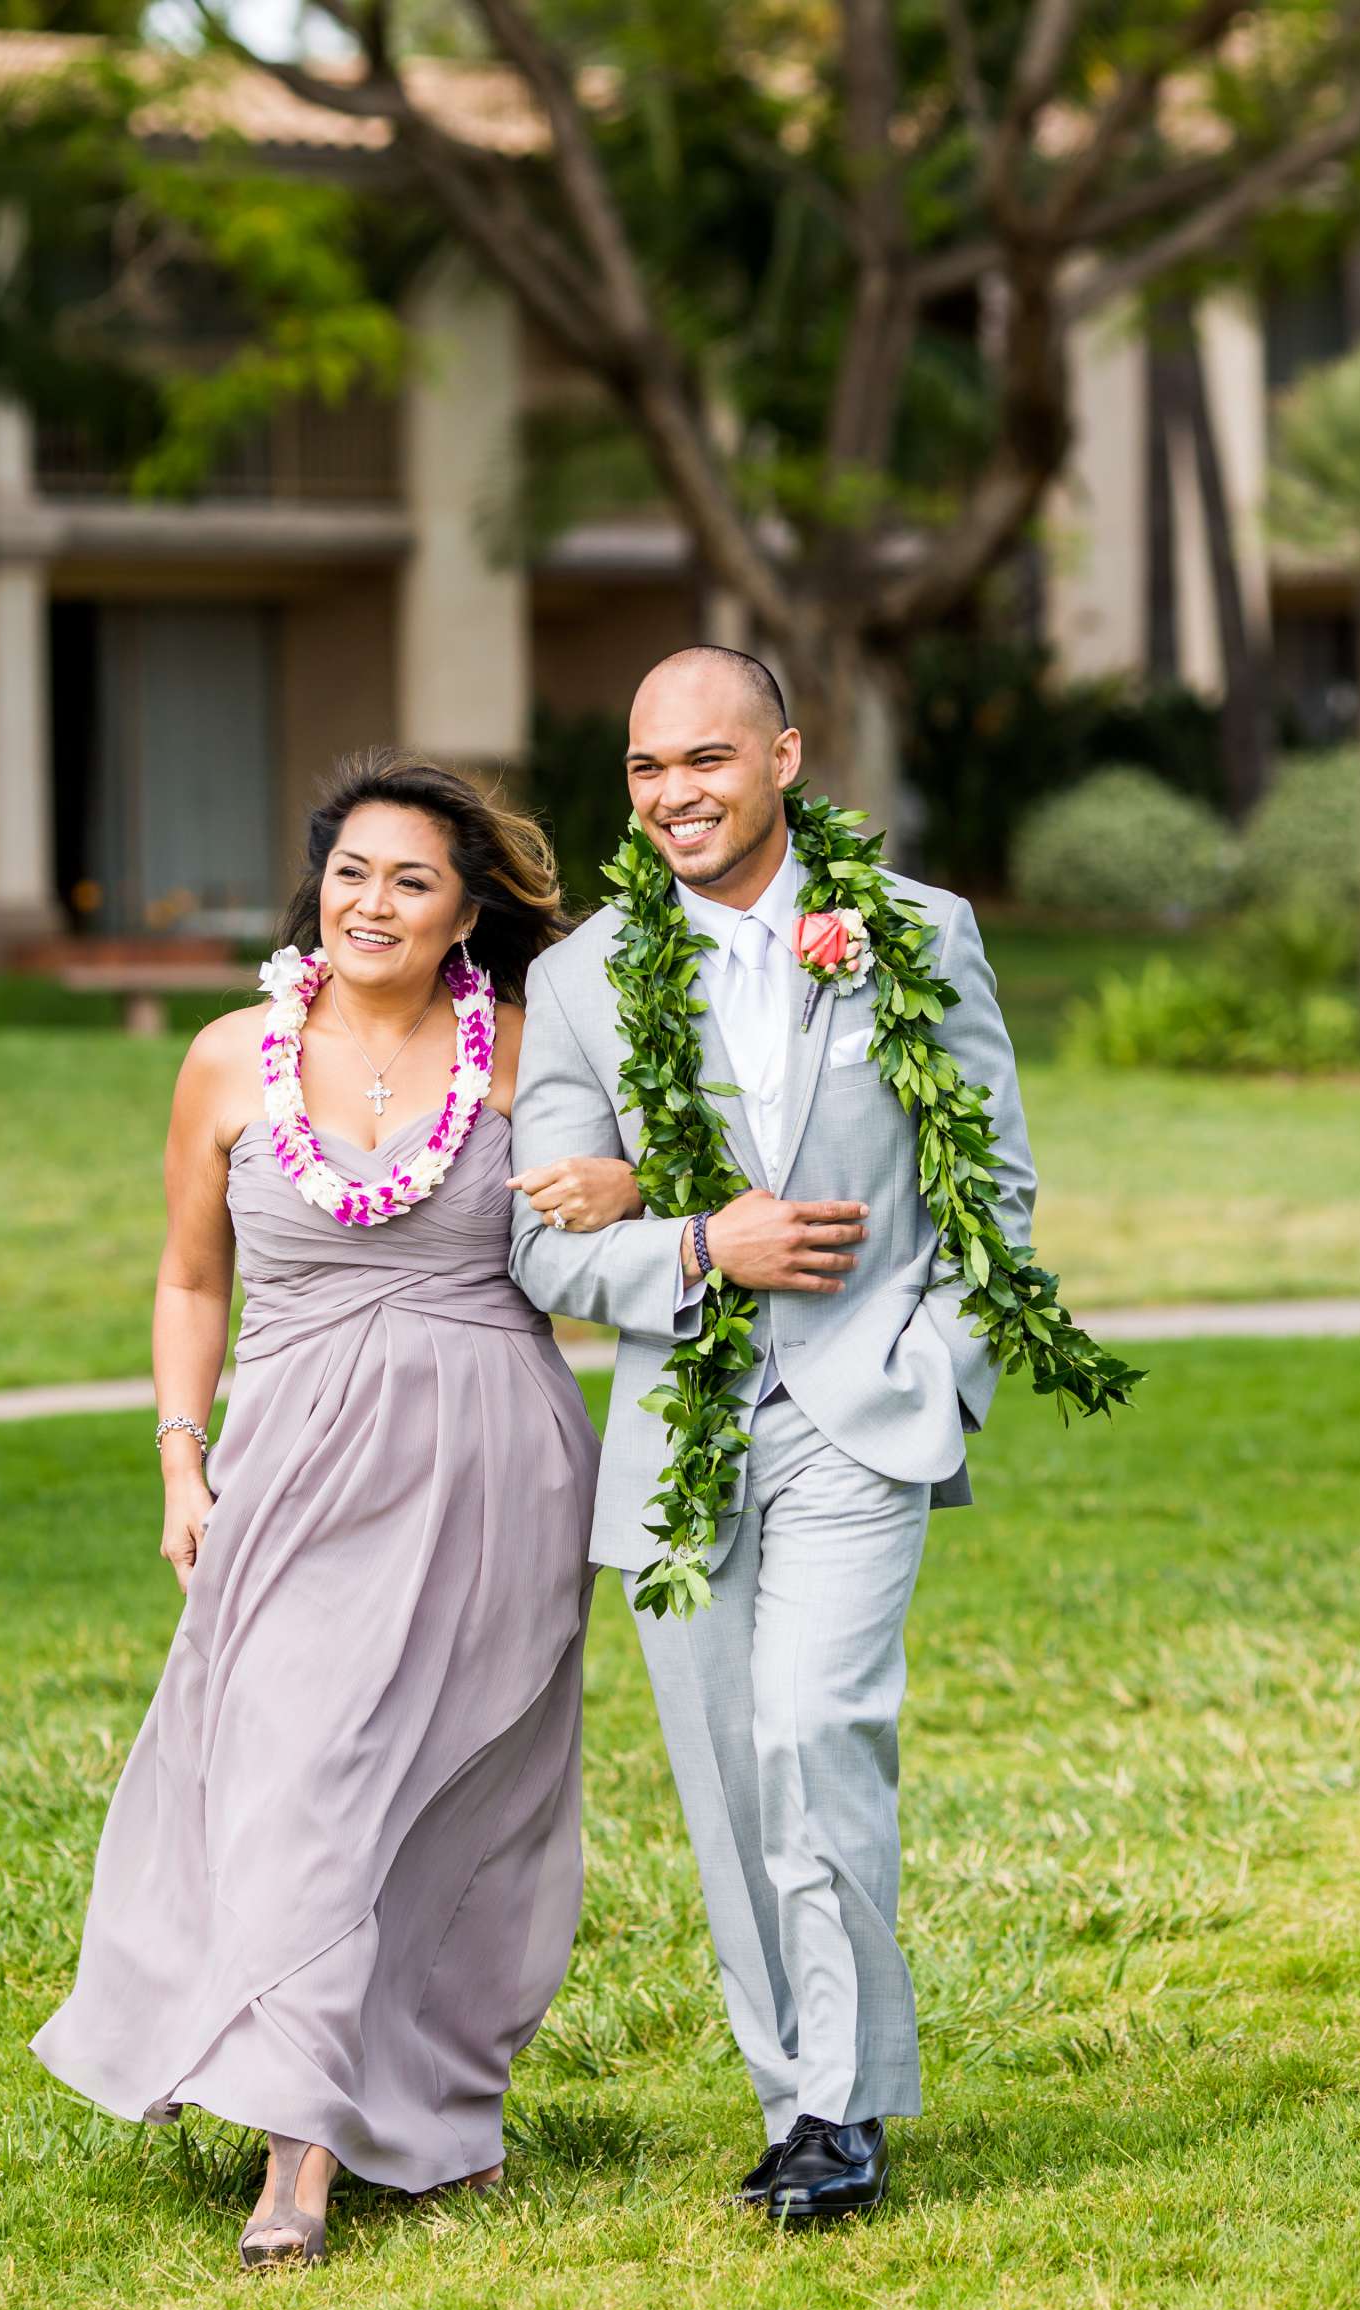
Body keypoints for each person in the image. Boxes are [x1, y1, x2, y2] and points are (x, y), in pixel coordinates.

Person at [32, 751, 639, 2268]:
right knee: (299, 1780)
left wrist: (628, 1192)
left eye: (412, 881)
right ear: (321, 890)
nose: (374, 902)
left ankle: (431, 2111)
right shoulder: (232, 1060)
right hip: (296, 1469)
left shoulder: (525, 1056)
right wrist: (182, 1458)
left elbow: (639, 1194)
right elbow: (189, 1278)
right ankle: (295, 2161)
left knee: (462, 1790)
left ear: (464, 912)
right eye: (353, 873)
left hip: (498, 1457)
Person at [507, 647, 1035, 2223]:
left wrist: (942, 1370)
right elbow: (542, 1245)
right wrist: (691, 1248)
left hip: (862, 1408)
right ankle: (795, 2091)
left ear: (787, 755)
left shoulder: (912, 933)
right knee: (731, 1776)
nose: (675, 794)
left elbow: (990, 1189)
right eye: (645, 768)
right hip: (680, 1432)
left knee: (816, 1731)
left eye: (708, 761)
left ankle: (846, 2113)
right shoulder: (582, 980)